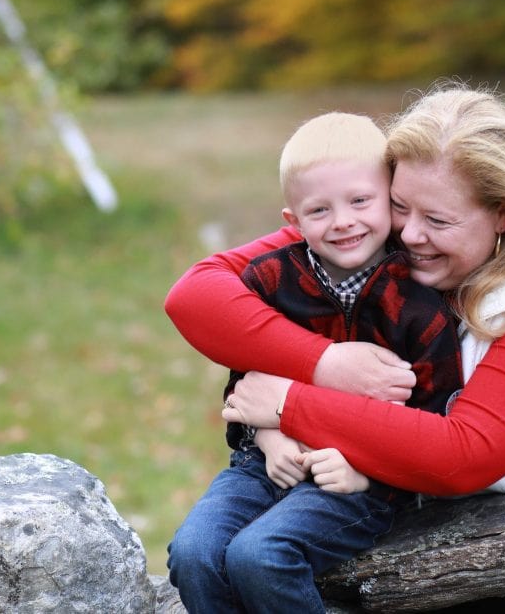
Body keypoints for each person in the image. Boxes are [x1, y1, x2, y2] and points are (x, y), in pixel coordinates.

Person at [167, 112, 463, 614]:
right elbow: (247, 382)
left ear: (390, 202)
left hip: (356, 482)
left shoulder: (418, 305)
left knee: (260, 555)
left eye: (360, 201)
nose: (343, 221)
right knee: (194, 552)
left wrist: (367, 474)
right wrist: (268, 438)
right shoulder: (270, 280)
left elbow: (433, 419)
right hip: (266, 462)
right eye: (319, 209)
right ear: (293, 222)